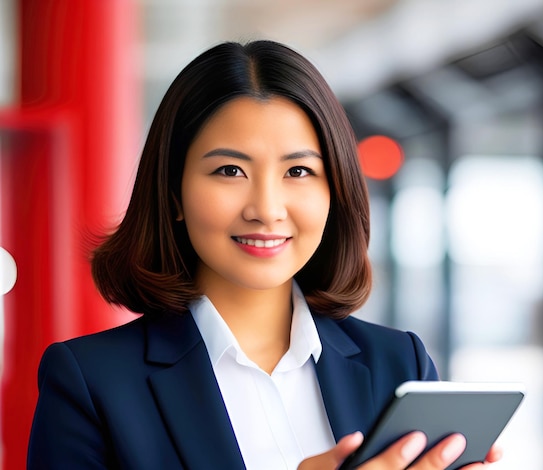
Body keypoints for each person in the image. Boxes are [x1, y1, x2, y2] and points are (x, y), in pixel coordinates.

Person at [27, 40, 502, 469]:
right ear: (173, 193)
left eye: (298, 172)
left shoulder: (400, 363)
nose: (266, 210)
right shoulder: (93, 383)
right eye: (230, 170)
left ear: (334, 190)